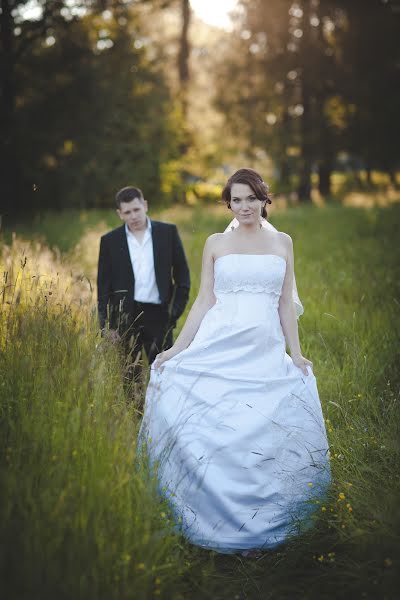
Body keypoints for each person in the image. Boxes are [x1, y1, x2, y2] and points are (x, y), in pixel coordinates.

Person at [139, 169, 331, 554]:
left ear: (264, 199)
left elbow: (283, 304)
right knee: (192, 398)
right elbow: (205, 299)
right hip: (220, 338)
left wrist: (295, 352)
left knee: (261, 421)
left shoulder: (283, 242)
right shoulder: (215, 243)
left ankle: (269, 509)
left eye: (251, 198)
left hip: (263, 346)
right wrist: (177, 349)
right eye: (236, 200)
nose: (244, 206)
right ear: (229, 203)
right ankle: (203, 507)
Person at [97, 186, 190, 381]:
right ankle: (137, 413)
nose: (133, 216)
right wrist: (107, 325)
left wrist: (173, 313)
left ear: (145, 205)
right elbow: (103, 288)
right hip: (125, 318)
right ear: (120, 214)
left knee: (164, 376)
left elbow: (183, 277)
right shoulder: (110, 241)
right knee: (130, 380)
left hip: (160, 315)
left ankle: (164, 412)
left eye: (136, 209)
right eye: (127, 212)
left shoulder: (167, 233)